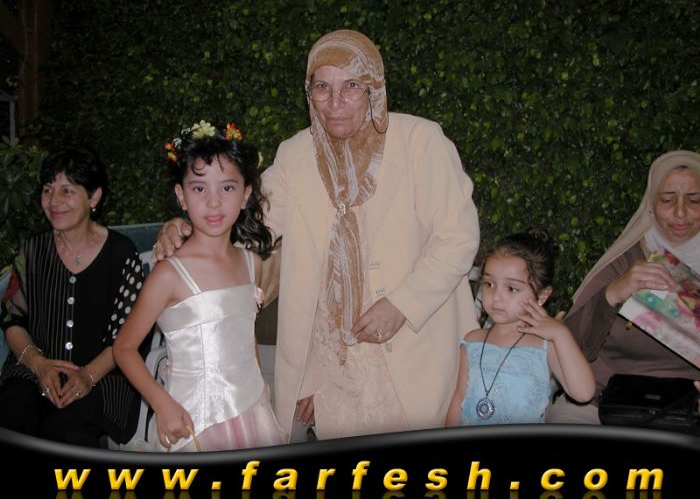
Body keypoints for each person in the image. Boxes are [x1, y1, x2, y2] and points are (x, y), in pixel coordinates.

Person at [154, 29, 481, 440]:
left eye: (351, 86)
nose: (335, 102)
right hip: (336, 368)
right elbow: (250, 226)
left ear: (374, 89)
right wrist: (189, 227)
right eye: (322, 87)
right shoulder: (296, 155)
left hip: (418, 351)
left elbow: (458, 237)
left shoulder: (420, 141)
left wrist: (402, 304)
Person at [113, 121, 285, 451]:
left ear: (246, 194)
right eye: (199, 189)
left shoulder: (252, 263)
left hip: (252, 411)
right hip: (194, 421)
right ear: (181, 196)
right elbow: (124, 348)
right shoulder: (168, 274)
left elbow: (245, 337)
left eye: (227, 188)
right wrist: (161, 403)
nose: (214, 202)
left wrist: (262, 391)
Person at [0, 147, 143, 447]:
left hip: (104, 378)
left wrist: (87, 376)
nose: (54, 201)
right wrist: (39, 365)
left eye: (67, 190)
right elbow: (12, 318)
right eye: (48, 190)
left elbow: (131, 333)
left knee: (68, 429)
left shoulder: (121, 253)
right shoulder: (31, 251)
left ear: (94, 197)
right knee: (13, 410)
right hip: (34, 372)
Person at [547, 150, 700, 423]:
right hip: (606, 399)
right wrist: (611, 294)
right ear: (650, 205)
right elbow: (570, 344)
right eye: (667, 200)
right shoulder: (624, 261)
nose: (680, 212)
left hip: (689, 407)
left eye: (694, 200)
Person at [445, 229, 595, 426]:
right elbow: (459, 400)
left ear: (542, 296)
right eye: (489, 284)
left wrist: (561, 334)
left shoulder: (545, 346)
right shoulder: (472, 341)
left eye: (512, 289)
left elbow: (583, 393)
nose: (496, 297)